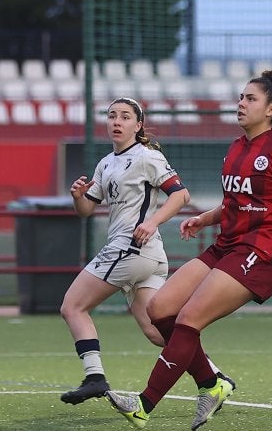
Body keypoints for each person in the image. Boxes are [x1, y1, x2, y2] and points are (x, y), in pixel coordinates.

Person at [106, 69, 272, 430]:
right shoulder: (236, 148)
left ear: (271, 110)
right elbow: (237, 203)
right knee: (160, 310)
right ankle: (211, 383)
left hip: (258, 254)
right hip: (226, 245)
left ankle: (144, 403)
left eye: (250, 99)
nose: (241, 103)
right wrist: (205, 218)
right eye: (241, 97)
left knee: (189, 319)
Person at [58, 97, 191, 404]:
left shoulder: (147, 156)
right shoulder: (106, 163)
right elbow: (86, 210)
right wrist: (78, 196)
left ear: (138, 125)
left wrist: (152, 221)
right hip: (145, 255)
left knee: (72, 306)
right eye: (112, 116)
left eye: (125, 117)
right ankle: (213, 377)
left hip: (131, 247)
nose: (117, 122)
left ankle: (94, 378)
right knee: (156, 332)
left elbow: (180, 195)